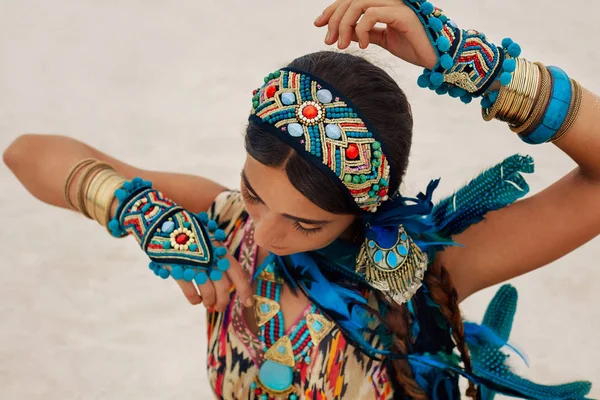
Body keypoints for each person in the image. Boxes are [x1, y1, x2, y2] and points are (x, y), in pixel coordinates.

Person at [4, 0, 598, 399]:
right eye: (253, 193)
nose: (262, 235)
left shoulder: (422, 276)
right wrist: (142, 213)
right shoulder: (220, 224)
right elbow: (26, 154)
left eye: (306, 224)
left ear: (364, 210)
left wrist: (474, 63)